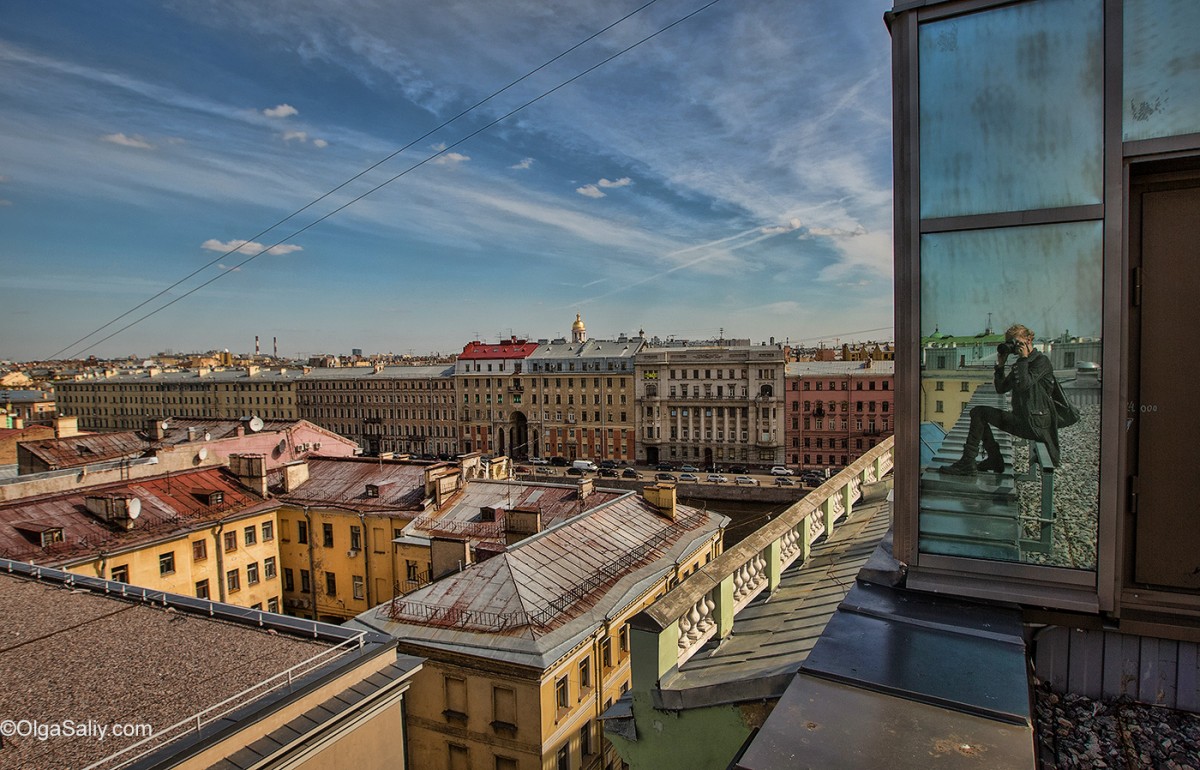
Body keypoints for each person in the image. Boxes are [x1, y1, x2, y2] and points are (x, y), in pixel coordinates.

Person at [942, 323, 1060, 475]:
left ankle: (970, 462)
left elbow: (1024, 385)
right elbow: (1001, 388)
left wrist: (1023, 359)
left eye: (1015, 342)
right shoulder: (1022, 363)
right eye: (1010, 343)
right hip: (1022, 421)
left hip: (1037, 426)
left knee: (980, 413)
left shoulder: (1041, 361)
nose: (1013, 347)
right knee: (978, 412)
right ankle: (989, 458)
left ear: (1029, 340)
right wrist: (1000, 366)